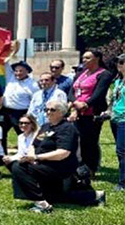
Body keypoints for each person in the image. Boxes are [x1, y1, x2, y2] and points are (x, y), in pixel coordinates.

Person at [10, 100, 106, 213]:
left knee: (18, 167)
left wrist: (37, 158)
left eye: (52, 109)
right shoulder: (46, 126)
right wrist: (31, 156)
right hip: (44, 163)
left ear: (61, 112)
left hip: (61, 166)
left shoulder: (67, 128)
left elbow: (63, 153)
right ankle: (95, 195)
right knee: (54, 197)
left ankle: (41, 204)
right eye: (46, 109)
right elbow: (34, 145)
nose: (48, 112)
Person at [68, 50, 113, 176]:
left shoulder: (104, 74)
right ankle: (80, 167)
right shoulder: (81, 73)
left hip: (92, 113)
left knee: (90, 142)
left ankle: (91, 168)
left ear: (97, 58)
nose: (84, 60)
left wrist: (86, 104)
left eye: (88, 58)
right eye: (83, 58)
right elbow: (71, 91)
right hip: (77, 111)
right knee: (78, 141)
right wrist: (75, 102)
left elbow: (99, 93)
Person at [0, 57, 39, 155]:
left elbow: (36, 100)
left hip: (20, 112)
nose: (18, 73)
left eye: (21, 71)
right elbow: (5, 63)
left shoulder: (33, 84)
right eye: (16, 71)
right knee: (1, 133)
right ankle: (2, 154)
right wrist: (8, 53)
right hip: (6, 110)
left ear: (27, 71)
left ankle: (24, 153)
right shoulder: (11, 77)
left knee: (22, 134)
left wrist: (30, 115)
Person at [107, 54, 125, 191]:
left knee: (122, 150)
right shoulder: (118, 81)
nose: (120, 65)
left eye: (123, 62)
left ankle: (123, 182)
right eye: (119, 62)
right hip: (115, 118)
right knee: (120, 151)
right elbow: (114, 100)